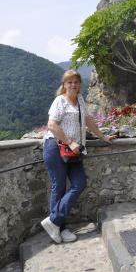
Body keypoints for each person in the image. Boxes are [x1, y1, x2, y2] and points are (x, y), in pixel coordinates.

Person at [41, 69, 116, 243]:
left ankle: (53, 221)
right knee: (58, 186)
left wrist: (103, 136)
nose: (73, 85)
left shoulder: (80, 100)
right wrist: (70, 142)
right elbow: (52, 125)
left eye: (76, 82)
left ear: (79, 84)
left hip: (74, 150)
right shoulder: (60, 101)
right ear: (64, 85)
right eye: (69, 82)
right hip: (56, 147)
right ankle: (60, 228)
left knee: (79, 183)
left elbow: (88, 120)